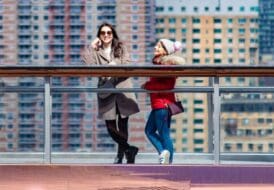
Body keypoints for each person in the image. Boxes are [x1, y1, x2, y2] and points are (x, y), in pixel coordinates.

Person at [82, 23, 140, 164]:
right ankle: (129, 149)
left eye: (109, 32)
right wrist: (91, 47)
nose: (106, 35)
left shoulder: (121, 48)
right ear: (99, 35)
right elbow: (88, 65)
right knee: (110, 126)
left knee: (123, 124)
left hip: (123, 89)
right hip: (106, 91)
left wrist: (115, 64)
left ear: (113, 34)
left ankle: (121, 156)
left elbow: (127, 63)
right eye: (103, 33)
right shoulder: (96, 51)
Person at [142, 39, 185, 164]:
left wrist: (147, 86)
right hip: (158, 104)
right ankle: (165, 156)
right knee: (149, 131)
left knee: (163, 134)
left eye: (159, 46)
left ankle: (167, 159)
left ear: (166, 52)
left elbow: (167, 85)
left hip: (163, 104)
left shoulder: (167, 65)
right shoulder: (158, 64)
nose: (156, 47)